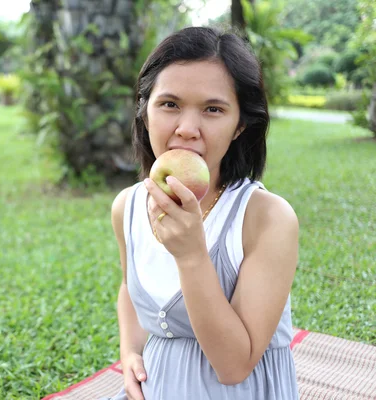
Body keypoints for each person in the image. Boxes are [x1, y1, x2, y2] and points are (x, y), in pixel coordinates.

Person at [102, 26, 299, 400]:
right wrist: (129, 351)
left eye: (213, 109)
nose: (187, 129)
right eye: (169, 104)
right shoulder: (127, 206)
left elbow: (234, 365)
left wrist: (192, 254)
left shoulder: (267, 219)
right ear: (145, 111)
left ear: (240, 124)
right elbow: (129, 287)